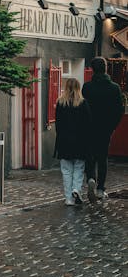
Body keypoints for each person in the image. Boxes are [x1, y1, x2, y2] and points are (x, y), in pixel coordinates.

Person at [82, 57, 124, 202]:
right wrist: (111, 126)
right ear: (105, 68)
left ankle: (91, 178)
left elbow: (83, 109)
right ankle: (100, 189)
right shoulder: (114, 88)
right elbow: (119, 110)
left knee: (89, 156)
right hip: (105, 128)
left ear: (93, 69)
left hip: (89, 128)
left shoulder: (87, 87)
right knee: (102, 157)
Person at [54, 78, 92, 206]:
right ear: (78, 88)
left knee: (66, 170)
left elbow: (58, 125)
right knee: (79, 168)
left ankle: (68, 198)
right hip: (80, 142)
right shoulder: (83, 103)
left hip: (64, 142)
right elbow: (88, 124)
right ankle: (76, 189)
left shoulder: (60, 103)